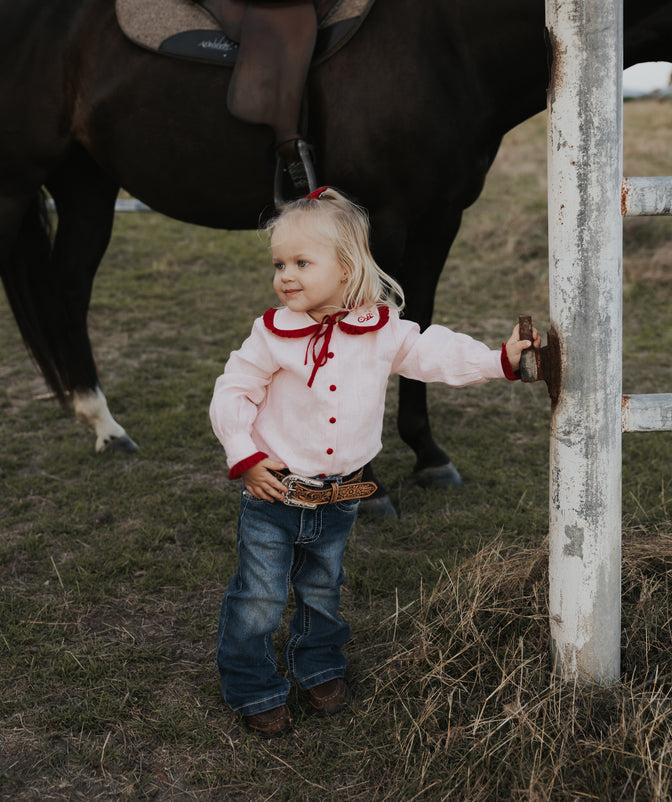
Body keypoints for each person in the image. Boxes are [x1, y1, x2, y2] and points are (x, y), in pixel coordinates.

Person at [210, 186, 540, 737]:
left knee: (322, 589)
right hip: (275, 493)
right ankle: (252, 686)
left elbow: (434, 353)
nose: (285, 275)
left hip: (340, 497)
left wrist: (496, 360)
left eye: (301, 262)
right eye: (279, 264)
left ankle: (317, 666)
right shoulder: (271, 335)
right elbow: (233, 392)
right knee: (259, 598)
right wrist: (244, 455)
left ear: (345, 268)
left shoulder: (381, 329)